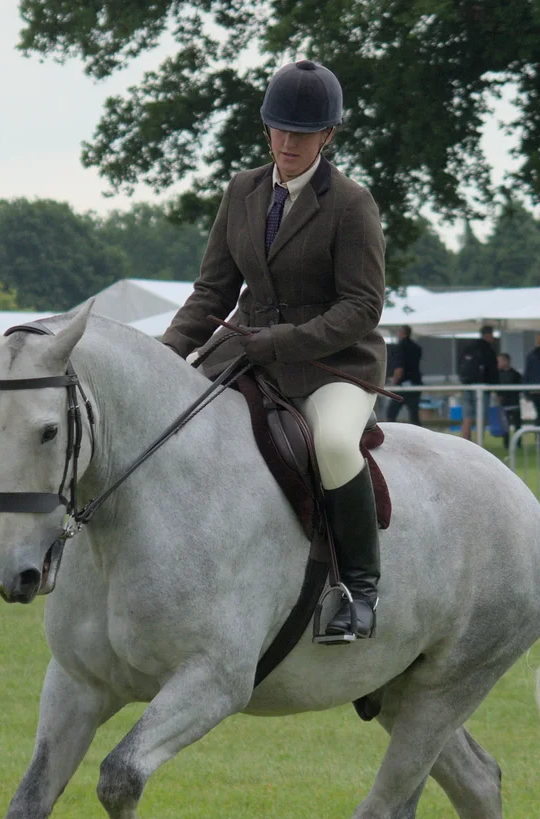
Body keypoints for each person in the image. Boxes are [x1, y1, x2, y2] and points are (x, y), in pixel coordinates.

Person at [160, 59, 386, 644]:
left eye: (302, 133)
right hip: (246, 351)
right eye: (279, 129)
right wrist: (165, 355)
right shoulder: (242, 191)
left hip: (331, 365)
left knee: (335, 445)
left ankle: (361, 592)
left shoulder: (352, 204)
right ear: (266, 128)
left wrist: (281, 341)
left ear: (327, 136)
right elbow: (213, 291)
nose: (288, 142)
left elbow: (362, 307)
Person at [457, 325, 500, 440]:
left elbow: (460, 364)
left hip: (467, 385)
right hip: (482, 386)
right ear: (489, 335)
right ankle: (478, 441)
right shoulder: (488, 350)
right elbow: (493, 371)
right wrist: (495, 387)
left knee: (467, 415)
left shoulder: (469, 347)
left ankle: (465, 440)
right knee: (480, 416)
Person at [383, 325, 422, 425]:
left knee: (391, 414)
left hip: (401, 386)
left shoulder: (399, 347)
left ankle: (391, 434)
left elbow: (399, 369)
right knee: (414, 415)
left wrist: (394, 384)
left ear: (401, 333)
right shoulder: (416, 347)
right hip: (415, 384)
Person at [493, 352, 523, 440]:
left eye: (499, 361)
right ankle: (506, 442)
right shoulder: (497, 375)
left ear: (506, 361)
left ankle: (518, 442)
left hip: (514, 402)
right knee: (505, 424)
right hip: (503, 403)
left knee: (517, 423)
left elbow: (519, 387)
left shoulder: (515, 374)